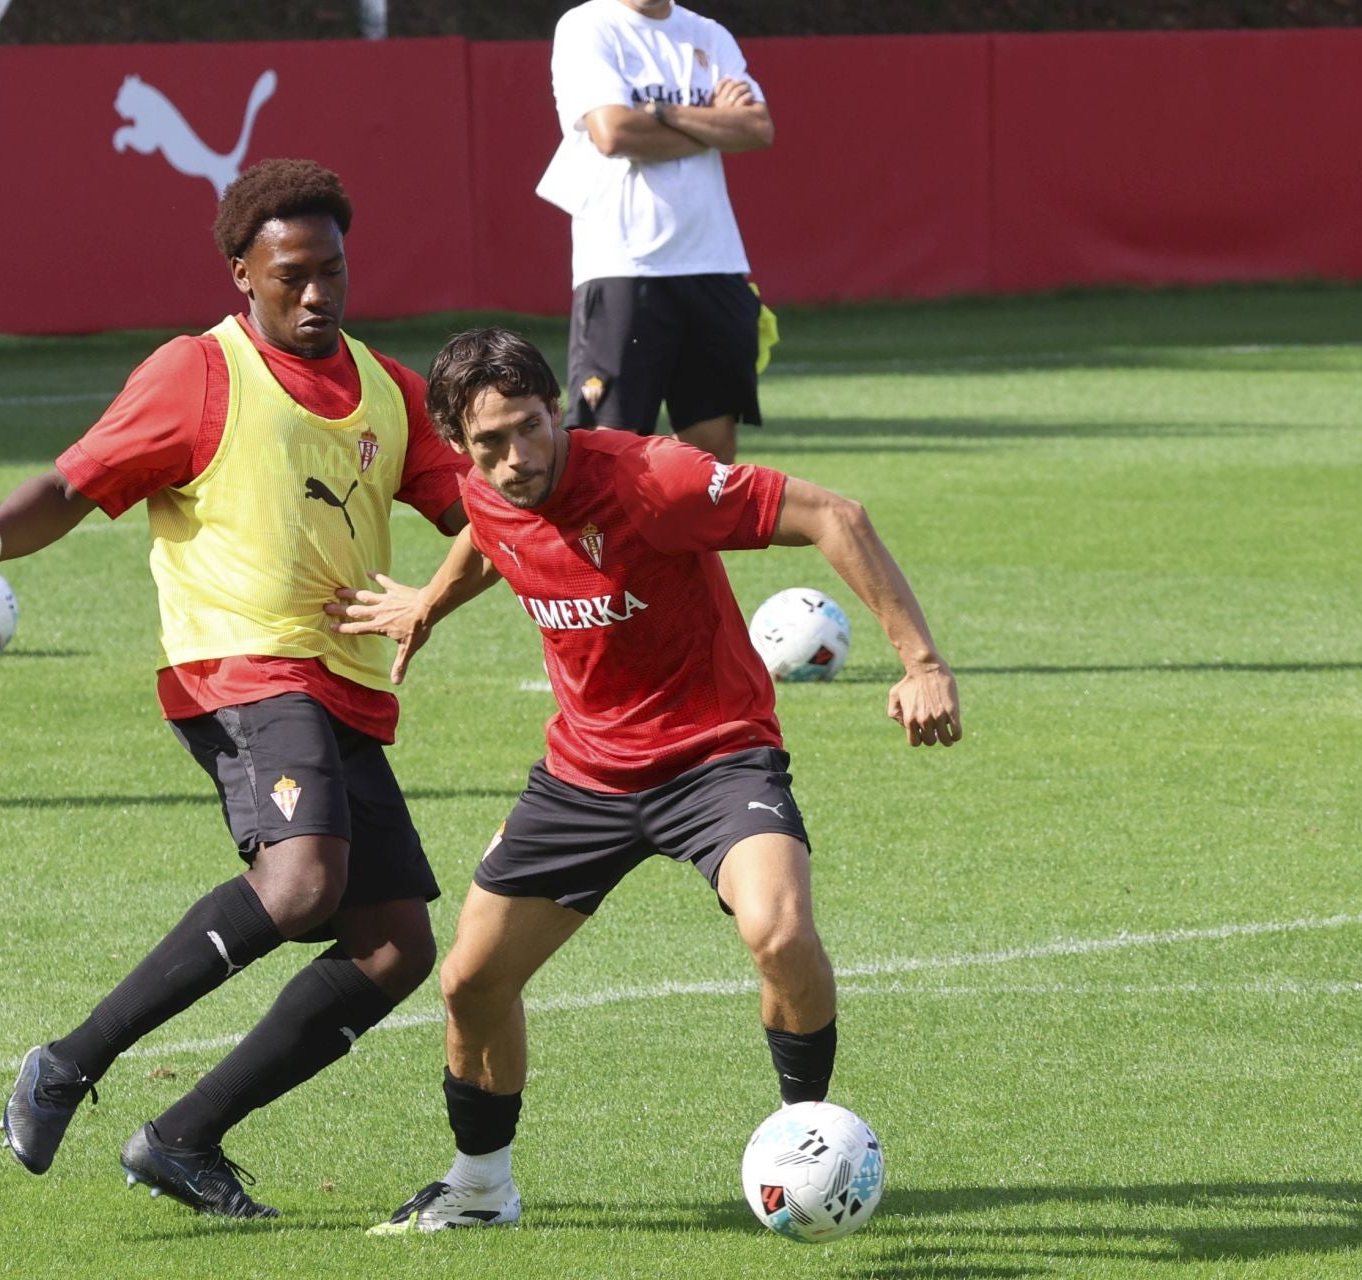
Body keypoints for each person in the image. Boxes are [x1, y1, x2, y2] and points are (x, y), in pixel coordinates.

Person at [0, 158, 471, 1220]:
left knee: (395, 944)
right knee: (304, 881)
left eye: (334, 271)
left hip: (344, 686)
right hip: (239, 666)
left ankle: (182, 1137)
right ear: (242, 276)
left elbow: (476, 509)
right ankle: (66, 1065)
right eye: (292, 274)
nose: (318, 294)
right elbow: (73, 484)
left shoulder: (388, 389)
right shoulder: (198, 374)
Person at [326, 328, 960, 1232]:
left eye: (531, 429)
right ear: (462, 448)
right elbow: (487, 533)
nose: (516, 459)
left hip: (715, 755)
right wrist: (428, 601)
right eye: (490, 444)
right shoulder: (489, 485)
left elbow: (835, 514)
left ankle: (804, 1136)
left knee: (778, 933)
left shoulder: (651, 479)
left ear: (558, 411)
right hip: (584, 776)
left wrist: (922, 661)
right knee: (470, 982)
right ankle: (478, 1189)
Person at [537, 0, 775, 463]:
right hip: (623, 264)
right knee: (605, 450)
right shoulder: (588, 25)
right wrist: (712, 125)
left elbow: (757, 127)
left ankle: (698, 542)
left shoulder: (708, 34)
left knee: (714, 457)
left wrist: (662, 112)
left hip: (714, 262)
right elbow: (613, 133)